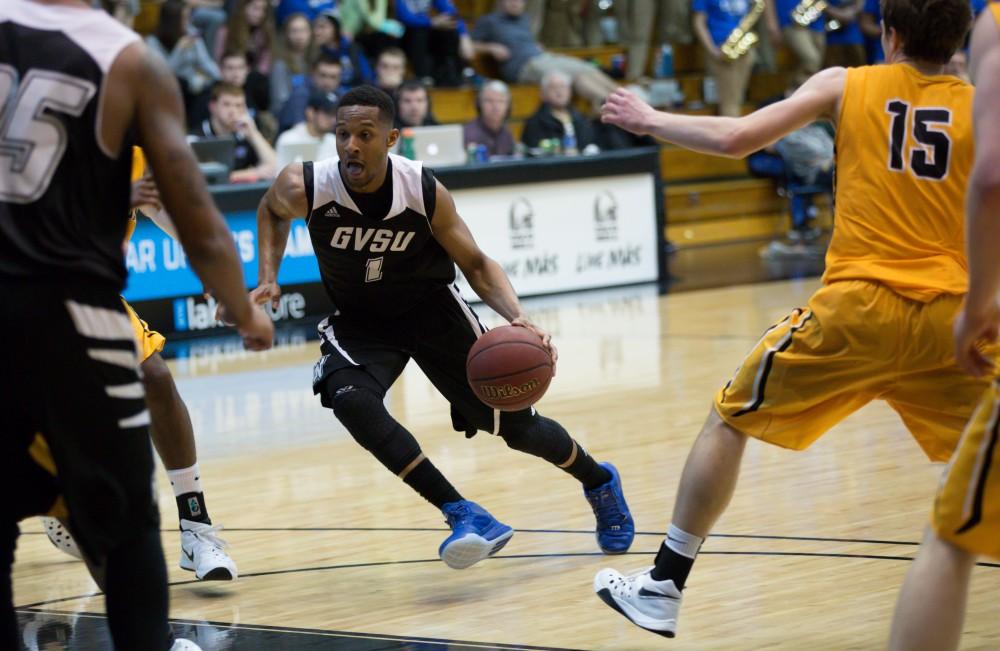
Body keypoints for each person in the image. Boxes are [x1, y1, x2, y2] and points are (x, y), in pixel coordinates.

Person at [594, 0, 977, 638]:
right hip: (952, 316)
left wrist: (649, 118)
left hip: (859, 307)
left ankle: (663, 586)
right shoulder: (983, 108)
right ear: (960, 36)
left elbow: (738, 137)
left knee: (729, 417)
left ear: (891, 33)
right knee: (980, 461)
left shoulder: (846, 83)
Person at [249, 85, 635, 570]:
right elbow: (270, 210)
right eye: (343, 133)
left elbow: (475, 263)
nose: (351, 145)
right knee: (348, 398)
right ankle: (463, 513)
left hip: (432, 310)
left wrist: (517, 317)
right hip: (362, 319)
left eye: (364, 135)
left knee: (518, 429)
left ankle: (597, 479)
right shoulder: (304, 184)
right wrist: (268, 276)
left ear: (390, 139)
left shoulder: (422, 190)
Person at [0, 2, 273, 650]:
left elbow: (183, 224)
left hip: (47, 297)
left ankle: (197, 520)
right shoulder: (123, 58)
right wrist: (243, 309)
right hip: (65, 298)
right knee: (121, 523)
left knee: (155, 372)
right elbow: (203, 224)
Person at [40, 147, 240, 583]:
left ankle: (195, 527)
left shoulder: (131, 151)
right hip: (27, 291)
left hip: (91, 295)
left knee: (155, 377)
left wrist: (213, 275)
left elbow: (174, 215)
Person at [886, 5, 1000, 650]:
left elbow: (991, 179)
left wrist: (981, 302)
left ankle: (668, 576)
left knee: (952, 532)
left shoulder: (995, 27)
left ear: (892, 37)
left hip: (917, 295)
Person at [470, 0, 620, 108]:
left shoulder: (524, 19)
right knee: (571, 77)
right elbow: (470, 45)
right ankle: (613, 105)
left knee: (587, 68)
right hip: (524, 66)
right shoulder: (489, 21)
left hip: (543, 57)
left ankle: (624, 97)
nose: (516, 3)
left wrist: (535, 45)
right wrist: (491, 47)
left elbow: (524, 41)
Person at [193, 82, 278, 182]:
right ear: (213, 107)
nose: (233, 111)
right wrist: (253, 174)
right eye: (227, 104)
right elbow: (197, 178)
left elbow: (275, 168)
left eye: (239, 105)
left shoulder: (246, 133)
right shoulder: (195, 138)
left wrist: (253, 134)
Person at [395, 0, 474, 86]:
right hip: (403, 35)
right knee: (419, 32)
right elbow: (404, 17)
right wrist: (432, 22)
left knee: (448, 28)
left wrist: (464, 36)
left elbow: (451, 13)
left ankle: (454, 74)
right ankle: (422, 76)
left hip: (425, 32)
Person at [521, 70, 597, 153]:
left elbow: (590, 145)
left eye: (563, 87)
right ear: (543, 94)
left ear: (570, 92)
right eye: (553, 87)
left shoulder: (581, 119)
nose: (559, 91)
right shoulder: (535, 123)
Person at [277, 52, 345, 133]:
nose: (327, 82)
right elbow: (299, 131)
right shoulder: (300, 95)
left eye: (333, 77)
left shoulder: (341, 96)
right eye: (323, 75)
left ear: (340, 78)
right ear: (313, 73)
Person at [275, 90, 339, 167]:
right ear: (310, 112)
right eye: (328, 113)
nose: (333, 120)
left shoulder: (334, 141)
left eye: (335, 115)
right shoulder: (289, 139)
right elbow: (279, 173)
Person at [462, 79, 516, 157]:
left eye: (501, 101)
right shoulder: (468, 134)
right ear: (479, 104)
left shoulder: (507, 133)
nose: (495, 107)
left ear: (509, 106)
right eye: (489, 101)